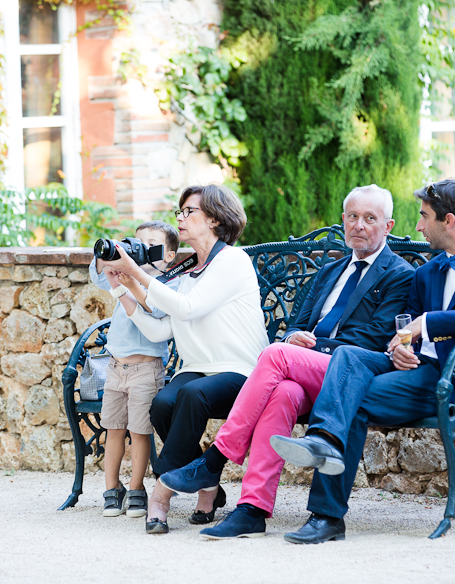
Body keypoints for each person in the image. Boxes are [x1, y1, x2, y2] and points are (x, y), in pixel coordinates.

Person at [271, 179, 455, 544]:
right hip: (416, 370)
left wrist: (430, 323)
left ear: (448, 220)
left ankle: (325, 505)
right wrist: (399, 348)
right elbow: (404, 327)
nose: (419, 226)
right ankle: (323, 460)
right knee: (348, 356)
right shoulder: (427, 272)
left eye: (424, 217)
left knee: (353, 399)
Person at [157, 185, 416, 539]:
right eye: (352, 217)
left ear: (387, 226)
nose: (359, 225)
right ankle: (252, 509)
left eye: (370, 218)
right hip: (309, 371)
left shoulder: (399, 274)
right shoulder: (329, 271)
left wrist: (305, 348)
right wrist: (295, 337)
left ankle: (214, 460)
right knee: (282, 392)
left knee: (276, 355)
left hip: (352, 373)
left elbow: (372, 339)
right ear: (343, 220)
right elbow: (298, 321)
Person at [104, 183, 269, 534]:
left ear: (214, 219)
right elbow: (160, 331)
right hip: (197, 368)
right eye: (180, 212)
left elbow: (187, 307)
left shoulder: (231, 261)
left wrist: (135, 271)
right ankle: (208, 485)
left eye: (188, 211)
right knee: (162, 403)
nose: (179, 217)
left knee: (192, 396)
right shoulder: (189, 270)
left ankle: (162, 493)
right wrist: (122, 286)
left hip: (241, 369)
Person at [89, 221, 180, 518]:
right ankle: (112, 489)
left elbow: (160, 310)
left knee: (140, 432)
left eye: (151, 245)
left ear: (169, 255)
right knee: (112, 430)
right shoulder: (122, 274)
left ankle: (137, 487)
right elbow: (98, 274)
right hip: (116, 367)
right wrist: (111, 254)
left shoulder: (169, 284)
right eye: (137, 244)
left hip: (145, 370)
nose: (141, 250)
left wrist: (132, 282)